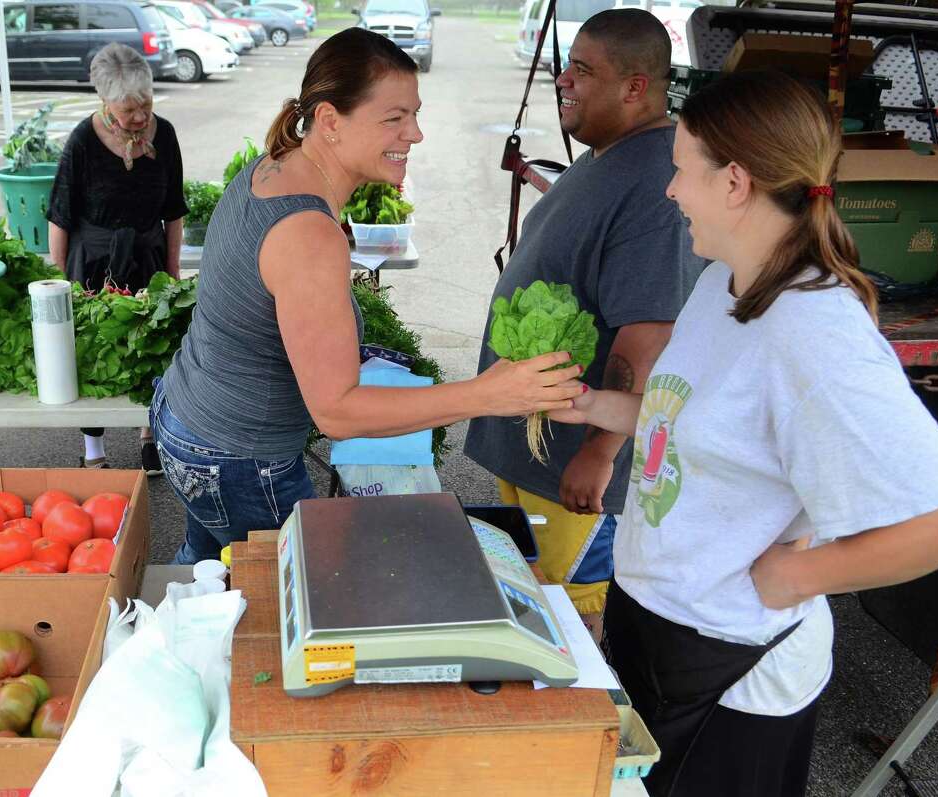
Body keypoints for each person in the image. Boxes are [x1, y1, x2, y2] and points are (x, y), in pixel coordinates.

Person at [546, 70, 938, 796]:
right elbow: (690, 420)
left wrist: (800, 575)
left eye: (681, 170)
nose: (670, 191)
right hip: (661, 623)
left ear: (735, 182)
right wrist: (591, 406)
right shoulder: (723, 282)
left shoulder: (814, 328)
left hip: (736, 668)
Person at [154, 27, 584, 565]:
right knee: (290, 605)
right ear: (330, 120)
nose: (416, 134)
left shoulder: (274, 164)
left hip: (188, 416)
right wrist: (491, 394)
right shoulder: (309, 233)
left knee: (205, 578)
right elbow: (338, 412)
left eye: (415, 114)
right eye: (394, 118)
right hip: (239, 457)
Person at [464, 9, 705, 639]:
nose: (564, 80)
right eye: (566, 65)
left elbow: (649, 334)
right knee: (526, 598)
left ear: (635, 87)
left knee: (574, 617)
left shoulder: (655, 182)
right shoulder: (608, 157)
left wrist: (602, 453)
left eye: (583, 70)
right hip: (537, 450)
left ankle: (588, 726)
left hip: (576, 463)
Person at [46, 42, 187, 471]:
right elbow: (60, 218)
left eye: (145, 102)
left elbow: (174, 212)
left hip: (147, 259)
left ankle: (149, 436)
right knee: (94, 353)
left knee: (150, 349)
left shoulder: (165, 135)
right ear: (104, 100)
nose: (141, 117)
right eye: (129, 109)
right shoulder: (83, 141)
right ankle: (94, 450)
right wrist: (60, 283)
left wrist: (173, 271)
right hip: (92, 263)